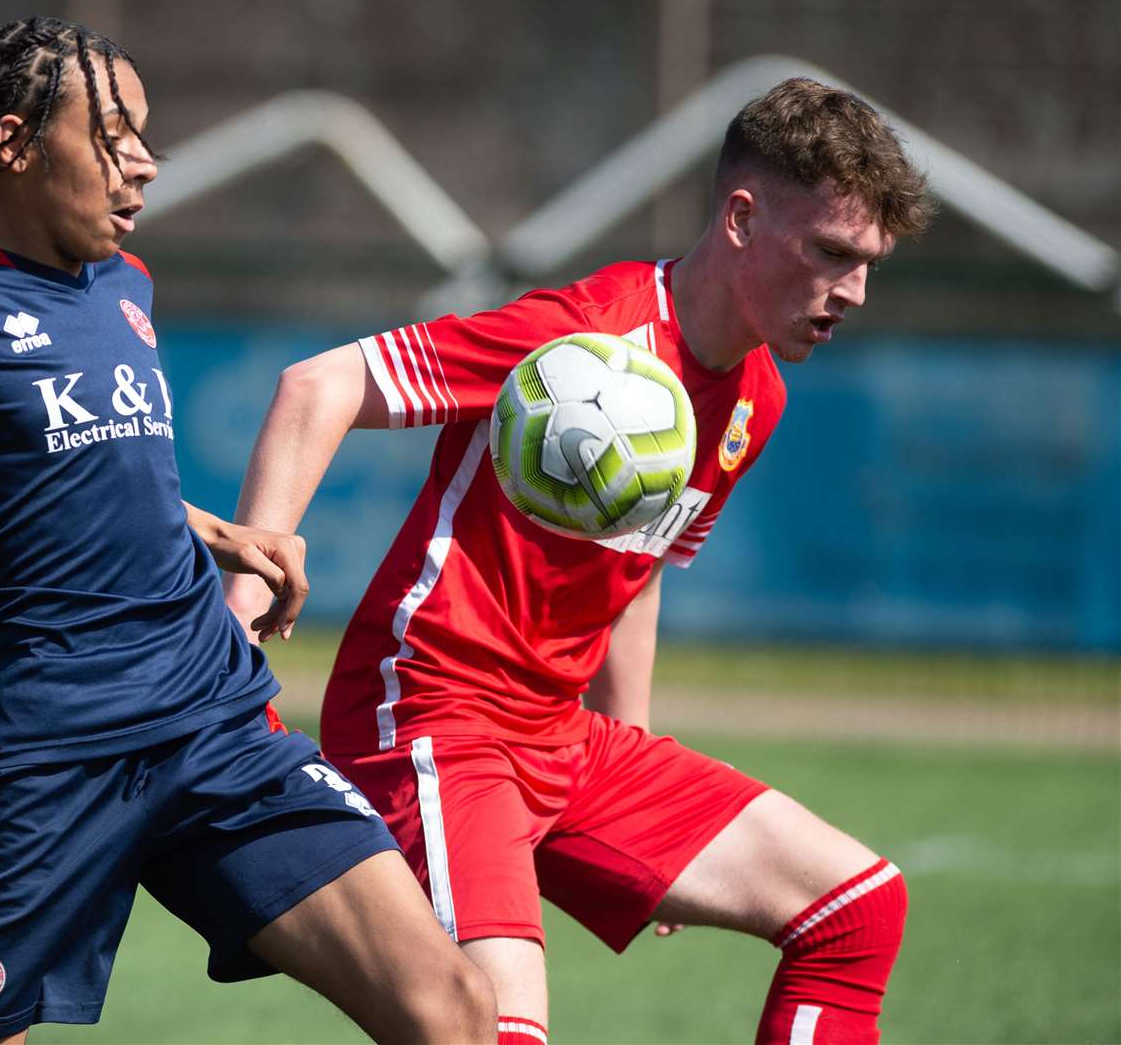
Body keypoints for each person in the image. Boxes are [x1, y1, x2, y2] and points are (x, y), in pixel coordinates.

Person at [0, 16, 495, 1044]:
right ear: (16, 146)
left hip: (218, 726)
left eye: (145, 137)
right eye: (112, 136)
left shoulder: (125, 289)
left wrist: (216, 530)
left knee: (452, 1008)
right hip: (51, 761)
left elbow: (70, 469)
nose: (142, 167)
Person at [226, 77, 935, 1045]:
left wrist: (637, 793)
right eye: (831, 254)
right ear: (740, 217)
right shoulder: (581, 339)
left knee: (856, 907)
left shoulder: (755, 394)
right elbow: (320, 384)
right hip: (431, 718)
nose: (851, 292)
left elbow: (632, 577)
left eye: (869, 266)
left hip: (559, 740)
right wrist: (241, 609)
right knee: (494, 1031)